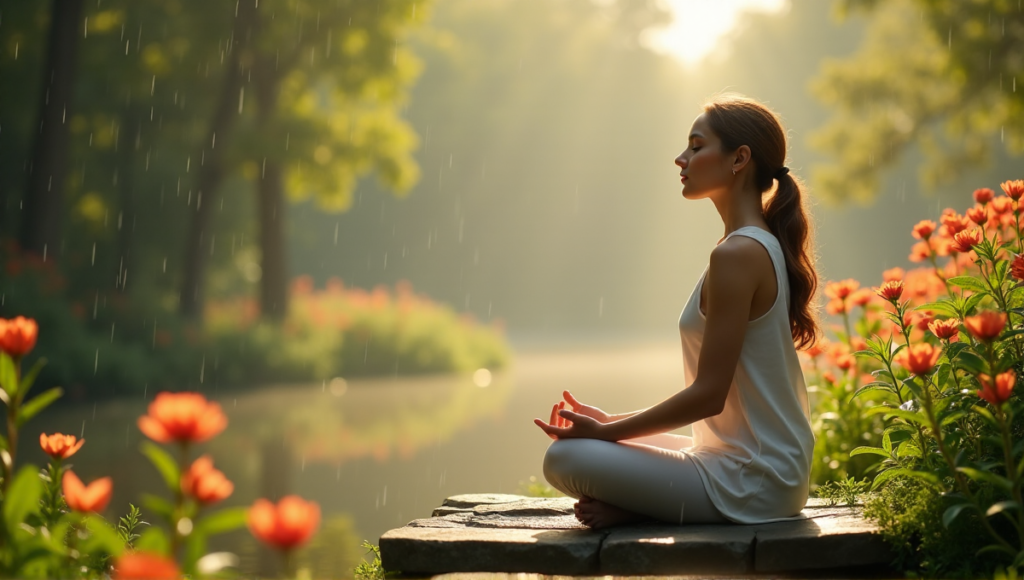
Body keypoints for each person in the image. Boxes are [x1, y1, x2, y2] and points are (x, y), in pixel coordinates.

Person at [533, 93, 819, 529]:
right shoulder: (748, 245)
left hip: (756, 480)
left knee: (565, 457)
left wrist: (607, 433)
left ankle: (641, 510)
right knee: (592, 446)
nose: (680, 158)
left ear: (739, 158)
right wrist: (610, 422)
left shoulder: (738, 253)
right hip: (750, 463)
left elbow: (708, 395)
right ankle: (642, 506)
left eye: (696, 146)